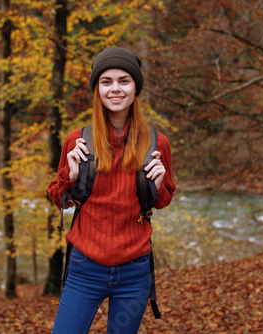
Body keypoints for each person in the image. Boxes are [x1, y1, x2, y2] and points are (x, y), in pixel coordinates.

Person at [48, 47, 175, 334]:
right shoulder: (77, 141)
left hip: (134, 271)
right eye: (106, 82)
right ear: (97, 89)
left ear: (135, 89)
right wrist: (70, 176)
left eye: (124, 81)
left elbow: (163, 200)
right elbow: (60, 200)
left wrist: (156, 186)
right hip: (84, 269)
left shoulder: (158, 144)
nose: (115, 89)